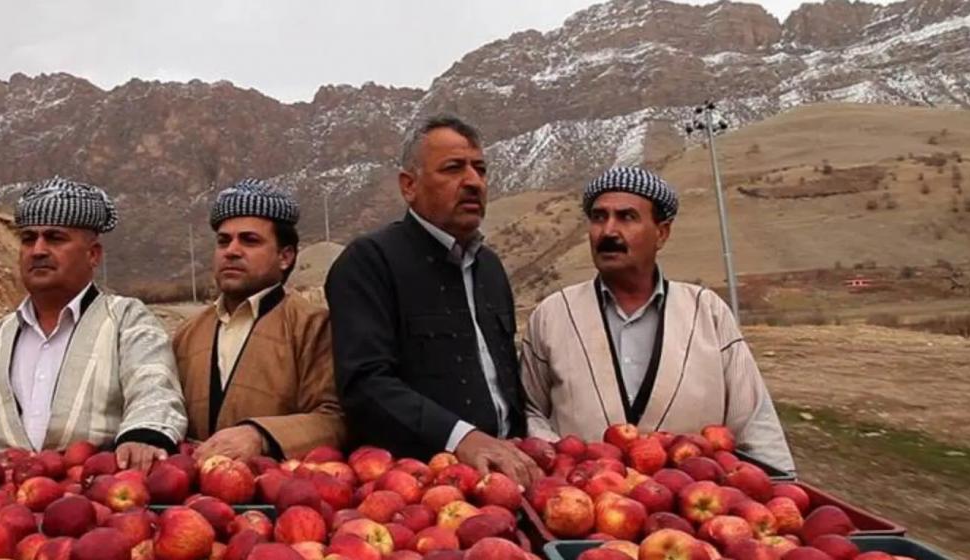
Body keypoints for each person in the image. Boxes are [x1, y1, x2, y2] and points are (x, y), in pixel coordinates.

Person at [521, 167, 795, 471]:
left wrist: (779, 486)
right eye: (599, 217)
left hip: (694, 510)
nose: (608, 231)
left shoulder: (707, 311)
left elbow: (754, 419)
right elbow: (530, 409)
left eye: (627, 217)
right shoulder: (553, 313)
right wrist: (562, 462)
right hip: (582, 502)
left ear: (662, 233)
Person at [326, 115, 542, 486]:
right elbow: (365, 385)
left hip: (508, 477)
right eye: (454, 169)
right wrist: (462, 439)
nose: (473, 181)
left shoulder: (489, 268)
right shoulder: (369, 262)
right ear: (409, 186)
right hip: (417, 491)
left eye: (480, 169)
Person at [0, 177, 187, 471]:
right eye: (28, 239)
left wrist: (142, 436)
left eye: (55, 238)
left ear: (93, 254)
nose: (38, 250)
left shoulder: (127, 320)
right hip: (0, 508)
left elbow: (155, 390)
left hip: (98, 506)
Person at [173, 179, 345, 462]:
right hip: (195, 498)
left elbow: (335, 420)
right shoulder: (188, 333)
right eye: (223, 241)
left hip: (282, 497)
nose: (232, 251)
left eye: (250, 241)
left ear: (285, 257)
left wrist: (260, 436)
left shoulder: (314, 326)